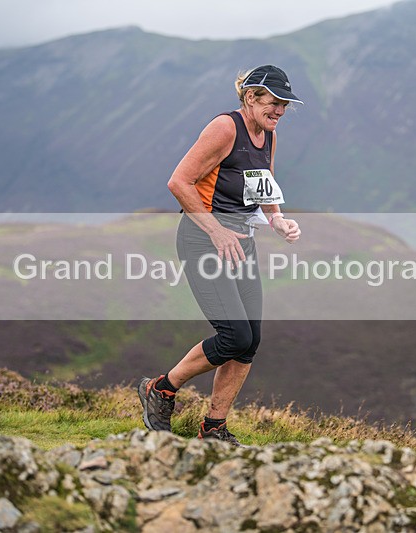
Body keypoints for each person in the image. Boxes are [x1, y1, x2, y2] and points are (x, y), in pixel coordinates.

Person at [137, 65, 303, 445]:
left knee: (251, 340)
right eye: (273, 102)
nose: (279, 111)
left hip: (240, 242)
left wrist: (277, 220)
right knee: (233, 335)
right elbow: (179, 182)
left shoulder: (268, 136)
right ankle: (161, 389)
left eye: (284, 105)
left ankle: (213, 429)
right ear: (250, 97)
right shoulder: (225, 128)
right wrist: (215, 230)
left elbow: (264, 187)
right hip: (202, 240)